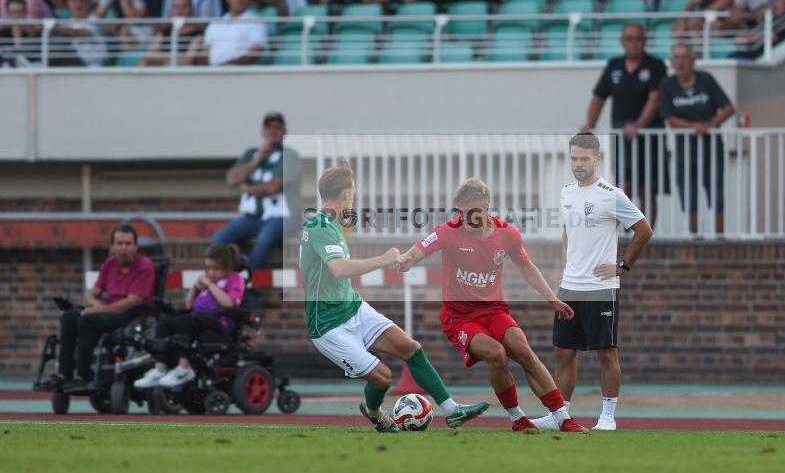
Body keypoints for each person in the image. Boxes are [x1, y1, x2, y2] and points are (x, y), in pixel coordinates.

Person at [302, 160, 490, 433]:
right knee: (382, 378)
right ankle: (375, 412)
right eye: (352, 192)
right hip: (328, 325)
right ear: (346, 194)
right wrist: (384, 259)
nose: (354, 198)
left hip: (352, 309)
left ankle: (451, 410)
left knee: (410, 348)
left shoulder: (330, 223)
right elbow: (339, 268)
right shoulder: (320, 226)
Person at [397, 179, 590, 434]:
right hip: (460, 319)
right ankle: (517, 418)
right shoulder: (449, 231)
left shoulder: (507, 234)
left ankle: (563, 418)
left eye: (470, 213)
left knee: (524, 351)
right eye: (460, 213)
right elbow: (417, 251)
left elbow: (526, 267)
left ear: (486, 207)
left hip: (495, 311)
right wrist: (405, 261)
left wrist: (551, 298)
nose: (464, 219)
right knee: (497, 354)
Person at [531, 133, 653, 432]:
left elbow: (643, 230)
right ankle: (561, 415)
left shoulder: (611, 194)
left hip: (600, 287)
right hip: (570, 286)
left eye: (584, 158)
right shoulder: (566, 193)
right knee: (564, 351)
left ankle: (607, 417)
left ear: (596, 158)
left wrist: (622, 266)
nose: (578, 164)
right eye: (574, 158)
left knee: (606, 352)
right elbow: (566, 232)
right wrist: (563, 268)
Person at [581, 23, 668, 225]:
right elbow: (598, 98)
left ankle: (645, 233)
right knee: (624, 186)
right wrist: (589, 126)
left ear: (644, 41)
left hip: (649, 138)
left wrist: (638, 126)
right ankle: (625, 233)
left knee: (646, 187)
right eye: (629, 39)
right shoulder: (614, 65)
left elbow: (654, 99)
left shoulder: (655, 65)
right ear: (622, 42)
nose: (634, 43)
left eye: (638, 39)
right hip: (623, 138)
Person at [50, 224, 156, 389]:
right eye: (119, 244)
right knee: (69, 316)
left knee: (88, 320)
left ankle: (83, 375)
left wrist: (98, 310)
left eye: (128, 244)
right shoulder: (109, 264)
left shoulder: (145, 266)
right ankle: (64, 374)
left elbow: (131, 302)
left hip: (131, 316)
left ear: (135, 246)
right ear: (113, 247)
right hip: (107, 313)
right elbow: (92, 295)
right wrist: (95, 304)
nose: (124, 248)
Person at [135, 244, 246, 389]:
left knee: (184, 321)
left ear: (228, 266)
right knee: (165, 322)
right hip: (198, 319)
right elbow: (188, 305)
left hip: (219, 323)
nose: (211, 273)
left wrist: (210, 285)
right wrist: (194, 288)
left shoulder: (235, 279)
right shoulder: (209, 279)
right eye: (209, 268)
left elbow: (229, 303)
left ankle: (184, 367)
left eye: (216, 268)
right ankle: (160, 368)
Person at [659, 44, 735, 234]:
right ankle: (695, 238)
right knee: (689, 199)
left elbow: (728, 109)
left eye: (684, 57)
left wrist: (710, 124)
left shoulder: (706, 80)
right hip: (685, 154)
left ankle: (720, 238)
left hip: (712, 151)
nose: (680, 62)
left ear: (693, 60)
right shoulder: (667, 85)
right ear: (672, 62)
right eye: (676, 57)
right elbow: (670, 119)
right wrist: (693, 127)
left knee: (717, 197)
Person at [212, 112, 296, 269]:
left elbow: (273, 187)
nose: (273, 130)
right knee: (219, 240)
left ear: (285, 131)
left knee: (264, 239)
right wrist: (256, 161)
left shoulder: (289, 155)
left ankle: (250, 284)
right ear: (263, 132)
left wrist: (247, 187)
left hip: (282, 217)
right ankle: (227, 281)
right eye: (269, 127)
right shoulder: (251, 154)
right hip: (253, 218)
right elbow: (232, 179)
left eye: (277, 127)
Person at [201, 0, 267, 66]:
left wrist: (230, 64)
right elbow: (206, 53)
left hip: (241, 74)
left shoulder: (256, 22)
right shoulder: (215, 24)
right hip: (213, 74)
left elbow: (255, 53)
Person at [141, 0, 206, 66]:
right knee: (144, 62)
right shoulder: (164, 32)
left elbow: (187, 60)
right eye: (175, 7)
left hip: (183, 75)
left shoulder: (198, 34)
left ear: (191, 10)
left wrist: (160, 57)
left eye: (183, 7)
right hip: (161, 74)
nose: (179, 11)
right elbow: (148, 55)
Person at [49, 0, 107, 67]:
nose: (78, 4)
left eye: (82, 0)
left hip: (92, 66)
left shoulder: (95, 20)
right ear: (68, 3)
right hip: (71, 65)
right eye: (74, 0)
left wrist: (56, 28)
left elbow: (83, 33)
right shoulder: (66, 23)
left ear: (88, 2)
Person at [0, 0, 41, 67]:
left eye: (20, 12)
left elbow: (35, 58)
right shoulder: (3, 34)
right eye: (13, 12)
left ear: (26, 12)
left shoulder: (35, 34)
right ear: (8, 14)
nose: (17, 16)